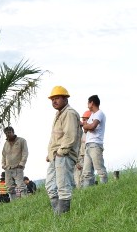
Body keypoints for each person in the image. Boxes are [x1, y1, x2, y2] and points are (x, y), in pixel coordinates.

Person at [44, 85, 82, 214]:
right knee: (50, 185)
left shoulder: (69, 113)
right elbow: (55, 137)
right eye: (52, 99)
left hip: (64, 155)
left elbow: (70, 136)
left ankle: (63, 217)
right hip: (56, 156)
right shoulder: (59, 114)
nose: (54, 101)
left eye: (57, 98)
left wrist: (60, 152)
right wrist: (50, 154)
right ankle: (57, 214)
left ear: (65, 98)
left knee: (63, 186)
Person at [80, 95, 108, 186]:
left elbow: (92, 126)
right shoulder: (92, 115)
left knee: (99, 168)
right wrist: (86, 125)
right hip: (88, 145)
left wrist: (86, 125)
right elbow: (86, 129)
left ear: (92, 103)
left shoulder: (99, 113)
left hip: (95, 144)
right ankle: (87, 191)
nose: (87, 105)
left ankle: (105, 188)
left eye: (88, 102)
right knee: (86, 171)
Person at [1, 126, 28, 198]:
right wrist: (3, 165)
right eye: (6, 133)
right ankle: (13, 203)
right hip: (8, 168)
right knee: (9, 187)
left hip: (18, 167)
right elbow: (3, 155)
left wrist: (22, 163)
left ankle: (26, 201)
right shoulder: (6, 143)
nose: (8, 134)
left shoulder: (21, 140)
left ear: (13, 132)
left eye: (9, 132)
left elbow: (25, 152)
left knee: (20, 185)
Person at [75, 110, 90, 187]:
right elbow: (76, 149)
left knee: (87, 176)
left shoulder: (91, 135)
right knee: (78, 179)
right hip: (80, 158)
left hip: (87, 158)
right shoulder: (79, 135)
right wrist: (76, 162)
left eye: (85, 119)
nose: (83, 122)